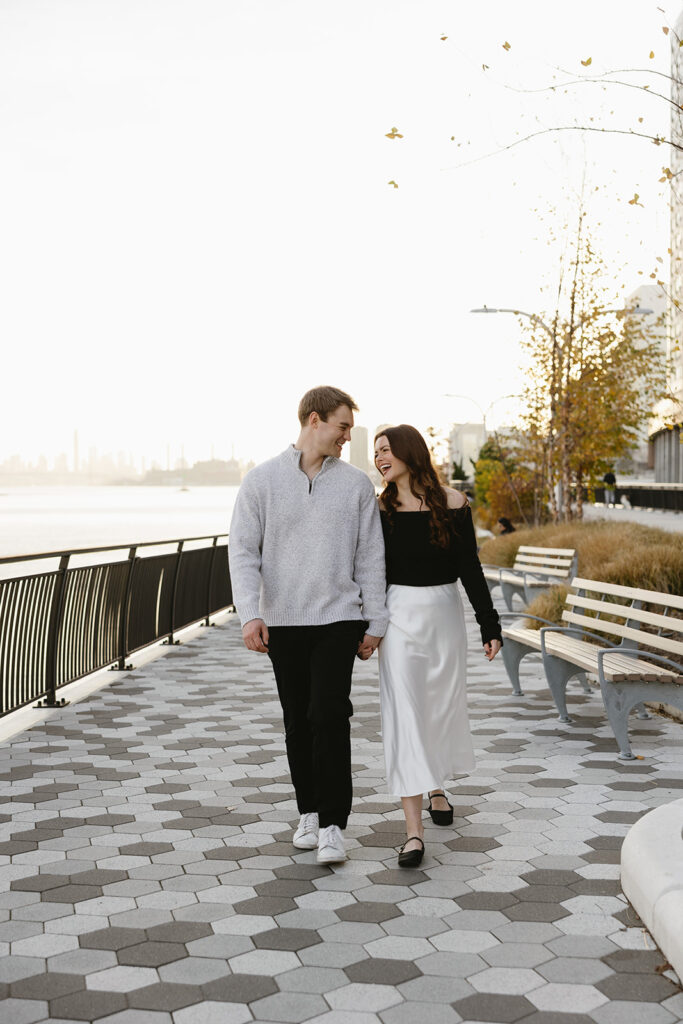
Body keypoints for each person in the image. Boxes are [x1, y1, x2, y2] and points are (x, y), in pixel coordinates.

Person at [229, 386, 388, 865]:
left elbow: (370, 556)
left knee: (329, 715)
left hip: (340, 618)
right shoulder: (261, 482)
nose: (347, 437)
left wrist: (376, 619)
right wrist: (250, 613)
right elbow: (242, 552)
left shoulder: (356, 485)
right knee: (298, 720)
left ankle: (334, 825)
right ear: (314, 420)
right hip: (284, 622)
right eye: (342, 427)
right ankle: (309, 813)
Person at [374, 425, 502, 868]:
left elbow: (470, 566)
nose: (379, 458)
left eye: (386, 450)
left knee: (440, 708)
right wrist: (367, 628)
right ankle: (413, 833)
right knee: (405, 714)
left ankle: (437, 787)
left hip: (445, 615)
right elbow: (370, 573)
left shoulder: (453, 503)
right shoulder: (380, 510)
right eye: (376, 453)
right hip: (399, 618)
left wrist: (490, 623)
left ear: (410, 451)